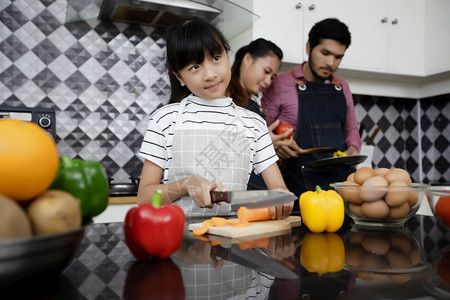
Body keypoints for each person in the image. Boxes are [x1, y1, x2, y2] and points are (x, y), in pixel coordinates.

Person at [137, 17, 293, 219]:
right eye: (194, 67)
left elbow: (278, 188)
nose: (210, 74)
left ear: (227, 57)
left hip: (235, 241)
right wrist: (187, 184)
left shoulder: (254, 124)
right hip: (175, 242)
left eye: (216, 58)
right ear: (180, 78)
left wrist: (282, 197)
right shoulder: (164, 119)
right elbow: (144, 197)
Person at [261, 18, 362, 210]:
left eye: (338, 57)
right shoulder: (279, 85)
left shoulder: (343, 87)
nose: (330, 63)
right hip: (299, 188)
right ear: (309, 48)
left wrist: (353, 150)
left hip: (340, 188)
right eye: (325, 53)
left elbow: (351, 131)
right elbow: (261, 133)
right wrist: (274, 144)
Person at [227, 38, 294, 190]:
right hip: (236, 196)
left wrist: (274, 145)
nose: (268, 81)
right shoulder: (223, 98)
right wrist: (262, 143)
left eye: (272, 77)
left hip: (256, 196)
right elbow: (215, 153)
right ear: (248, 59)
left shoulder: (252, 105)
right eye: (266, 72)